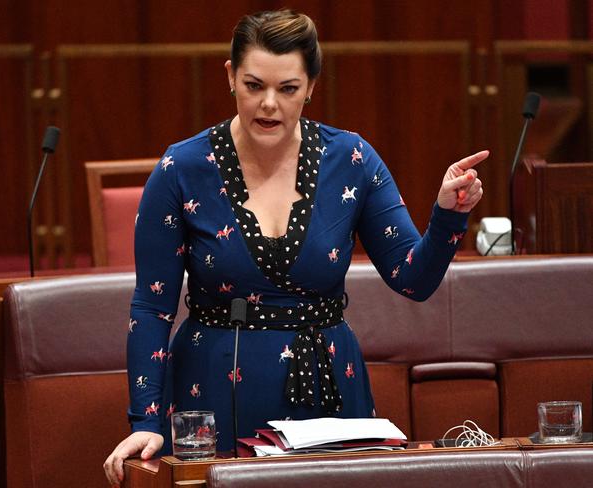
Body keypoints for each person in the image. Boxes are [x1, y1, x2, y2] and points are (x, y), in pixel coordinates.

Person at [104, 9, 486, 486]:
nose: (269, 105)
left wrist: (449, 214)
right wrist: (145, 421)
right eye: (253, 85)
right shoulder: (182, 167)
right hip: (215, 383)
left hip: (328, 382)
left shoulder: (351, 159)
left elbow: (414, 279)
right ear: (230, 77)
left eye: (287, 89)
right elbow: (152, 307)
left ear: (310, 87)